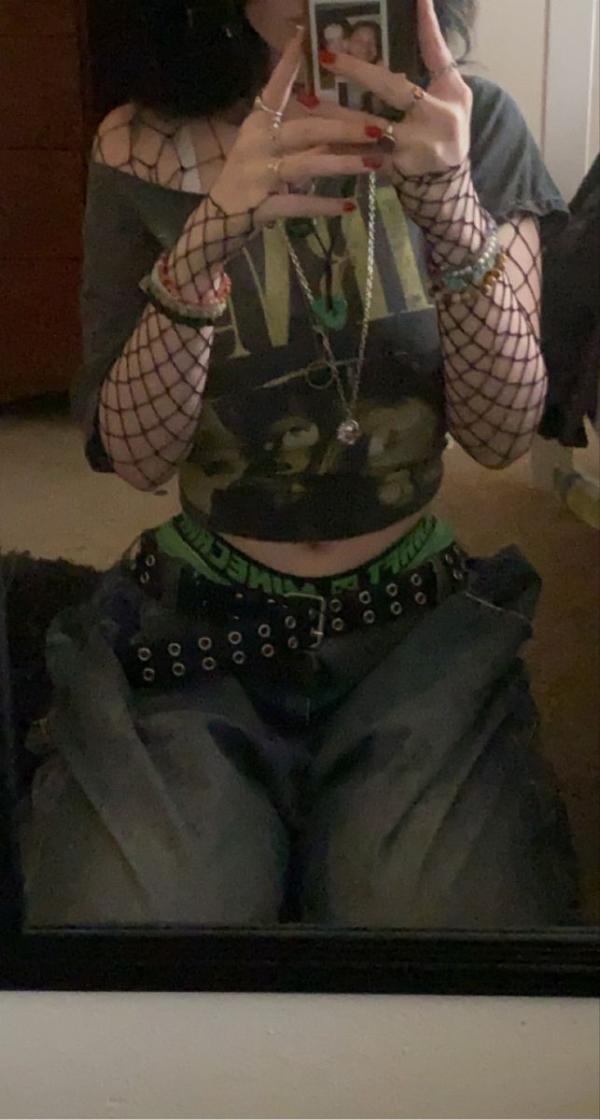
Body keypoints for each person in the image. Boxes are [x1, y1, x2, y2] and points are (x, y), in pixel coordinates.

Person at [20, 0, 579, 928]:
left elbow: (502, 436)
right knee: (133, 923)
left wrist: (448, 208)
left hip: (413, 618)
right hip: (199, 616)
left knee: (440, 928)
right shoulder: (141, 145)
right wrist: (210, 238)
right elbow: (137, 456)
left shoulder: (472, 124)